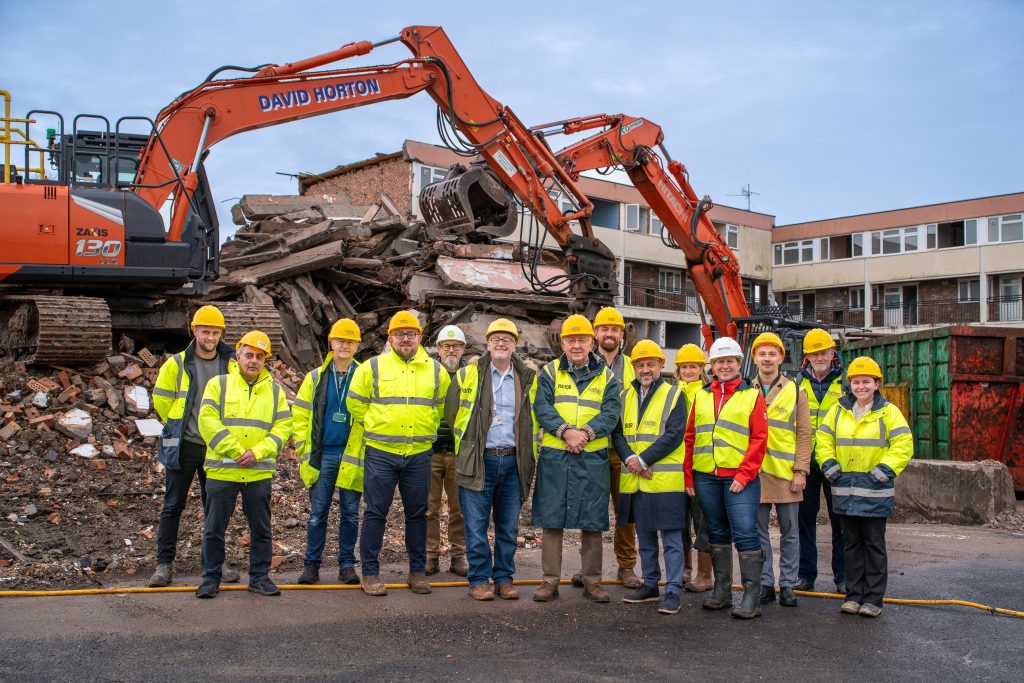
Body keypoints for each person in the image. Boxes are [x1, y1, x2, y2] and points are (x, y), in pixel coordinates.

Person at [348, 310, 450, 597]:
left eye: (411, 334)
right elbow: (355, 403)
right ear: (390, 337)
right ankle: (369, 573)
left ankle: (417, 573)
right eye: (400, 334)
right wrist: (375, 425)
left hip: (418, 454)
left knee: (418, 513)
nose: (406, 339)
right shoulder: (372, 367)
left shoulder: (435, 370)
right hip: (381, 452)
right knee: (375, 512)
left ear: (420, 337)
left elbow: (442, 408)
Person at [531, 314, 622, 603]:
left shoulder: (607, 376)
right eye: (571, 340)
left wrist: (585, 433)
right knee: (552, 519)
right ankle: (549, 582)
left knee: (593, 521)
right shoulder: (549, 373)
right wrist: (566, 432)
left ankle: (592, 582)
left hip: (592, 457)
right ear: (563, 343)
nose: (576, 345)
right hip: (557, 456)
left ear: (592, 342)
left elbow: (611, 411)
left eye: (582, 339)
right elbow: (542, 408)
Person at [195, 331, 292, 599]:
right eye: (248, 355)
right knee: (214, 527)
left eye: (259, 356)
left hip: (257, 471)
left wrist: (258, 453)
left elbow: (283, 427)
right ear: (237, 356)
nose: (253, 360)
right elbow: (207, 421)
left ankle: (259, 577)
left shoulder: (274, 392)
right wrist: (238, 451)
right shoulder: (219, 385)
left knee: (261, 528)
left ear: (265, 361)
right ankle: (211, 578)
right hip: (223, 469)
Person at [445, 319, 536, 601]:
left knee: (509, 526)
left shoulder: (526, 376)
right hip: (478, 460)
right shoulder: (469, 373)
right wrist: (470, 445)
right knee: (476, 526)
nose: (501, 343)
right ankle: (479, 580)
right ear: (488, 344)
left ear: (514, 345)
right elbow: (451, 413)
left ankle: (504, 579)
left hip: (512, 461)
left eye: (506, 339)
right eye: (496, 338)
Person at [150, 305, 240, 587]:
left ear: (221, 334)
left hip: (216, 447)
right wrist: (179, 425)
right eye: (205, 331)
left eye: (215, 332)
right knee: (172, 505)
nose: (210, 337)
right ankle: (164, 565)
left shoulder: (231, 364)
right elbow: (162, 400)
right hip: (185, 445)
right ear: (194, 331)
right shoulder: (177, 364)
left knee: (215, 507)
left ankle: (215, 562)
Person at [815, 356, 913, 618]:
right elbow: (823, 439)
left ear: (876, 383)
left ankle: (873, 599)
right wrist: (829, 465)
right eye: (856, 382)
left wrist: (883, 472)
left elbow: (903, 445)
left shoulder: (889, 412)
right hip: (845, 490)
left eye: (866, 382)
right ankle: (853, 595)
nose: (861, 386)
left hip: (874, 491)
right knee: (851, 544)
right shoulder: (838, 410)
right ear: (850, 384)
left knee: (874, 545)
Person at [684, 336, 768, 619]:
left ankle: (751, 597)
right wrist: (689, 476)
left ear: (739, 364)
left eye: (730, 361)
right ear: (713, 366)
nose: (725, 365)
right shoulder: (702, 395)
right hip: (706, 475)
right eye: (720, 361)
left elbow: (759, 439)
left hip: (739, 479)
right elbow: (691, 437)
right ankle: (721, 590)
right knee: (716, 533)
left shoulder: (752, 395)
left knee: (745, 533)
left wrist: (744, 475)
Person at [612, 340, 689, 615]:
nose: (646, 369)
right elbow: (617, 433)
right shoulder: (624, 397)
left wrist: (642, 460)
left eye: (650, 364)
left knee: (671, 539)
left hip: (663, 480)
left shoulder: (675, 394)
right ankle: (650, 584)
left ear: (660, 365)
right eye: (640, 364)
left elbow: (674, 434)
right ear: (634, 367)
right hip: (635, 480)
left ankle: (673, 590)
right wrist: (632, 461)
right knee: (643, 536)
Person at [294, 318, 364, 585]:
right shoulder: (315, 377)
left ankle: (347, 565)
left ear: (357, 345)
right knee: (317, 514)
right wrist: (303, 449)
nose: (344, 345)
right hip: (322, 455)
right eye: (340, 340)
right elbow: (299, 415)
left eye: (350, 341)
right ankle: (311, 564)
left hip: (353, 456)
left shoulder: (365, 375)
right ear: (331, 342)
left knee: (349, 513)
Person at [749, 333, 812, 608]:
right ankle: (765, 583)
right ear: (754, 358)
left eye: (772, 354)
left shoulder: (796, 390)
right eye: (762, 354)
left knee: (790, 532)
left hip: (787, 474)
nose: (767, 358)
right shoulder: (745, 390)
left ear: (780, 358)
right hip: (755, 473)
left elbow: (804, 434)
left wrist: (801, 470)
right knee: (758, 533)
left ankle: (787, 584)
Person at [586, 306, 642, 589]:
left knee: (626, 512)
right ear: (595, 333)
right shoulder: (583, 363)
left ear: (622, 334)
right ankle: (589, 568)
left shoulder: (633, 366)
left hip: (623, 449)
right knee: (592, 511)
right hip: (593, 447)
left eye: (615, 330)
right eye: (604, 329)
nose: (609, 334)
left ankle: (627, 566)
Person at [795, 328, 847, 593]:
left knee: (840, 520)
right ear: (807, 356)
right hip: (806, 462)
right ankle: (806, 575)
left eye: (823, 352)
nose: (819, 357)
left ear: (832, 352)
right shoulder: (796, 384)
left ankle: (842, 576)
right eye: (814, 353)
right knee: (805, 519)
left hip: (836, 463)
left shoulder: (846, 384)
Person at [426, 325, 468, 577]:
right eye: (446, 346)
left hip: (459, 452)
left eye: (455, 346)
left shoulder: (470, 375)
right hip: (429, 450)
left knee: (459, 508)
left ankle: (458, 556)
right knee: (428, 508)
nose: (451, 350)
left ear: (463, 349)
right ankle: (430, 555)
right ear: (438, 349)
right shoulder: (427, 373)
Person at [675, 343, 713, 593]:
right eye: (684, 367)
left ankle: (705, 574)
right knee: (679, 522)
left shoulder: (709, 393)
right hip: (675, 468)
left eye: (694, 366)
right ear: (678, 370)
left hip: (701, 466)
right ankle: (684, 571)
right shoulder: (670, 393)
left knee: (703, 522)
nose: (689, 371)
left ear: (702, 369)